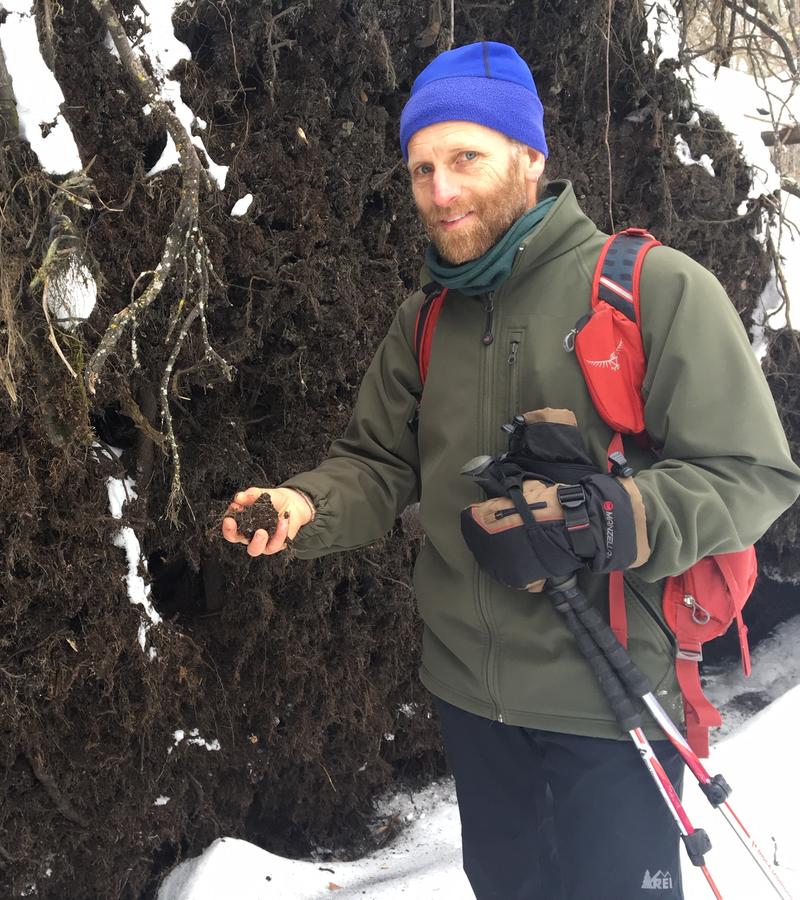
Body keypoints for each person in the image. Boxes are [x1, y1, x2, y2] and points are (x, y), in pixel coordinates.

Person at [221, 40, 800, 900]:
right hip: (471, 697)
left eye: (465, 159)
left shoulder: (653, 289)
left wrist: (614, 517)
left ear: (530, 158)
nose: (441, 190)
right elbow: (377, 463)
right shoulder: (426, 320)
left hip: (611, 697)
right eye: (421, 169)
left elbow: (753, 474)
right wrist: (304, 504)